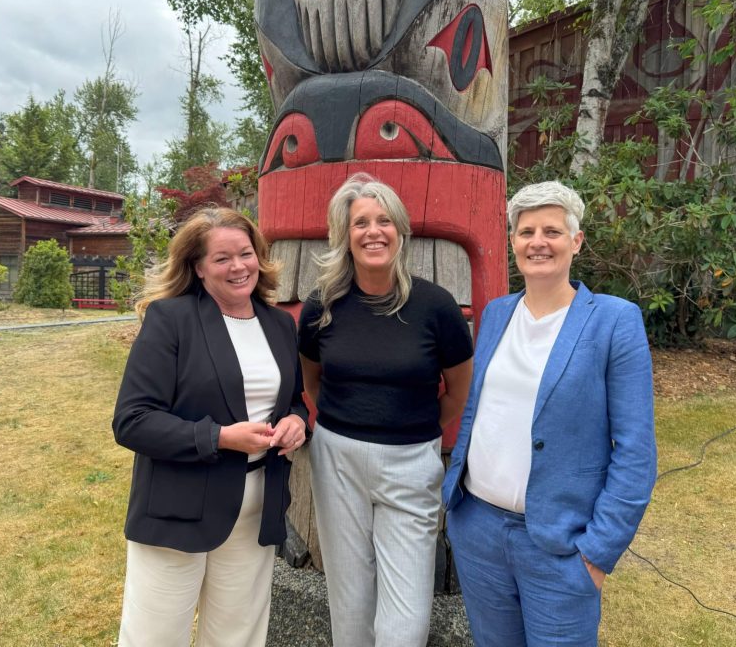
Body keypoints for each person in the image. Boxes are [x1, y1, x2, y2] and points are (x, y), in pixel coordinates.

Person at [443, 181, 657, 647]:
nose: (538, 242)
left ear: (576, 241)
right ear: (513, 242)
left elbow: (636, 452)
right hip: (478, 529)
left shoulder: (614, 321)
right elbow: (481, 408)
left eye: (552, 232)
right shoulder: (497, 314)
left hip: (560, 544)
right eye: (526, 232)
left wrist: (597, 553)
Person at [112, 207, 308, 647]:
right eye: (222, 258)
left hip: (256, 507)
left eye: (245, 254)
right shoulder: (171, 319)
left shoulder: (279, 325)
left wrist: (297, 420)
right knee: (155, 638)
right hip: (178, 505)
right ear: (198, 267)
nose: (238, 267)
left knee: (237, 637)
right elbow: (132, 420)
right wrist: (220, 437)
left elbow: (292, 399)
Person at [298, 173, 474, 647]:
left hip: (411, 463)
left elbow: (458, 391)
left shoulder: (436, 307)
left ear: (400, 230)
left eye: (384, 221)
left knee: (406, 618)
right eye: (361, 223)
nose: (373, 232)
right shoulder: (322, 306)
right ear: (345, 234)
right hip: (337, 460)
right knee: (350, 601)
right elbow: (312, 381)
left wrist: (411, 429)